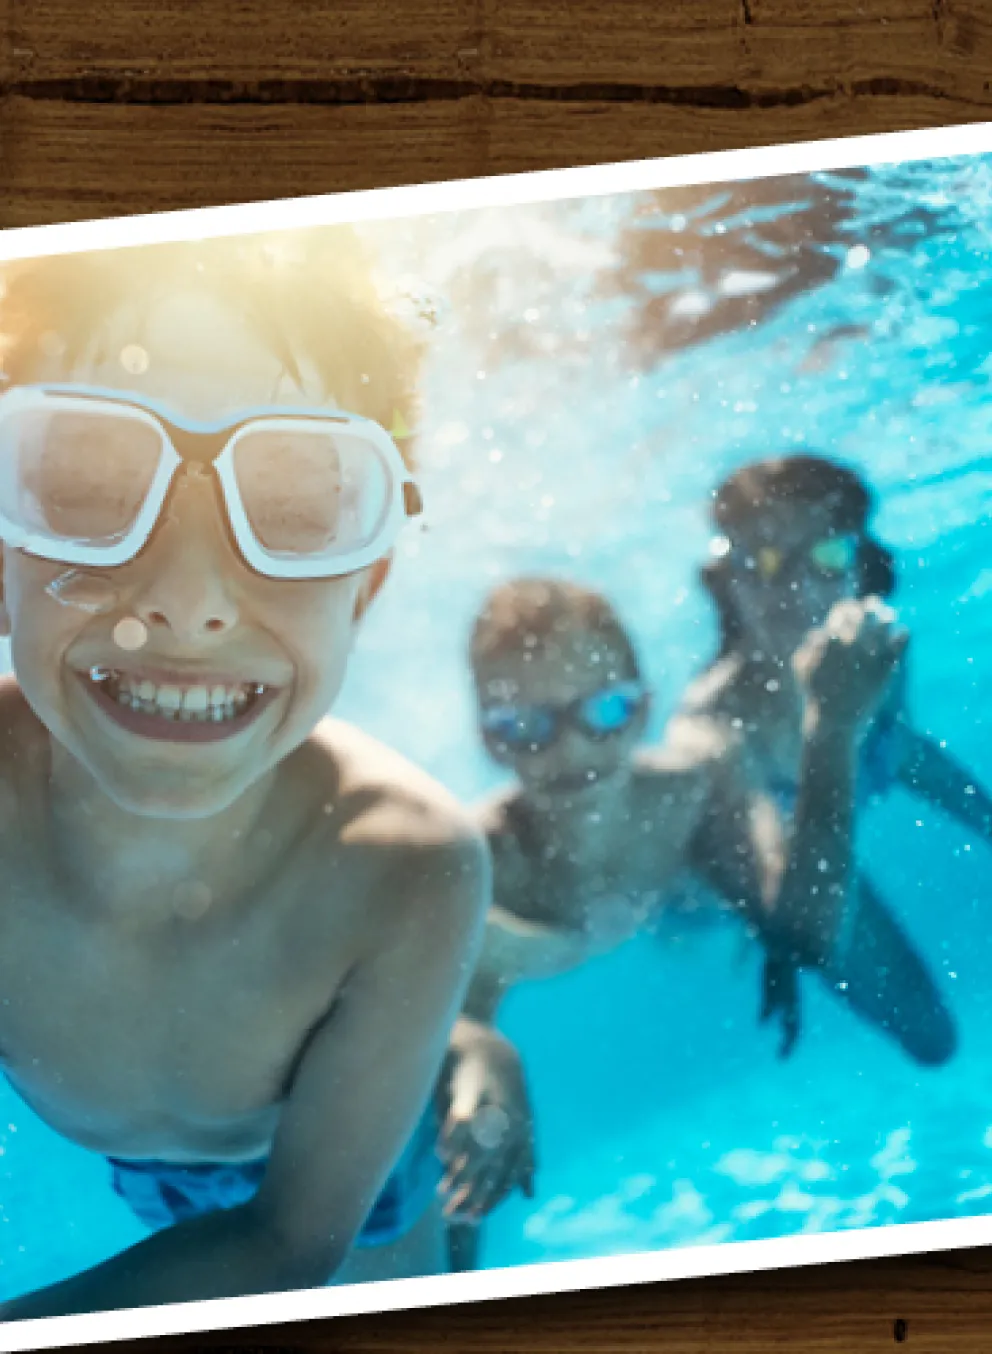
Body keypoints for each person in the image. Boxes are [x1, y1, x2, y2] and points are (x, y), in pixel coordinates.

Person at [0, 229, 490, 1322]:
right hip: (155, 1182)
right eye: (81, 483)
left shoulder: (409, 866)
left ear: (361, 585)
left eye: (293, 506)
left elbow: (289, 1240)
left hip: (344, 1190)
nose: (186, 599)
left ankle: (466, 1048)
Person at [436, 570, 910, 1271]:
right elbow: (453, 1031)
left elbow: (807, 936)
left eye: (602, 712)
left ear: (644, 705)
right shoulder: (481, 863)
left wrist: (832, 727)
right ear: (489, 742)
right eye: (525, 726)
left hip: (693, 898)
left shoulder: (692, 785)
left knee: (782, 923)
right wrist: (486, 1066)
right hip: (629, 910)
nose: (571, 752)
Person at [669, 452, 979, 1061]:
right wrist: (779, 943)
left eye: (827, 556)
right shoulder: (713, 724)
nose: (795, 584)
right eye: (763, 559)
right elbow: (777, 895)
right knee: (932, 1038)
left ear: (859, 568)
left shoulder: (872, 654)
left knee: (933, 1038)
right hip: (701, 903)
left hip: (812, 860)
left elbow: (902, 753)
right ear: (728, 579)